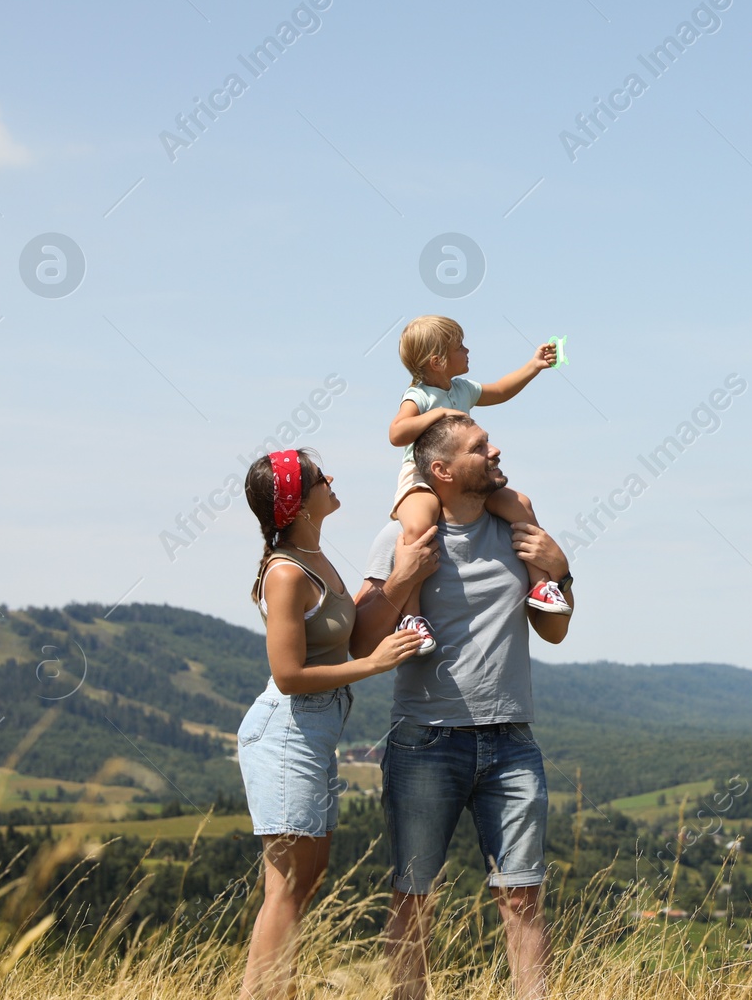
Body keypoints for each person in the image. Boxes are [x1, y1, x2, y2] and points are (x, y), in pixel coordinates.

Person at [354, 415, 573, 1000]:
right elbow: (360, 639)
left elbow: (554, 632)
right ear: (443, 470)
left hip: (511, 740)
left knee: (523, 898)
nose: (496, 449)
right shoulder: (400, 537)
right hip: (426, 740)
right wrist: (402, 580)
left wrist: (561, 567)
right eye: (480, 447)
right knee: (413, 896)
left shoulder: (518, 531)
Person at [236, 448, 441, 1000]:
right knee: (287, 887)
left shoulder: (314, 557)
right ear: (298, 503)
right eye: (319, 477)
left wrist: (399, 581)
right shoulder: (286, 573)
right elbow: (288, 674)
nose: (331, 479)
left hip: (314, 731)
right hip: (287, 730)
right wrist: (375, 665)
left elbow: (344, 637)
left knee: (307, 877)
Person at [387, 315, 571, 654]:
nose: (468, 350)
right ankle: (411, 616)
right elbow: (397, 433)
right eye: (460, 346)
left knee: (521, 505)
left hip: (467, 478)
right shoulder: (418, 396)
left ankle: (541, 585)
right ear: (438, 360)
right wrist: (437, 416)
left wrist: (534, 365)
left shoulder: (462, 389)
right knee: (418, 528)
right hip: (421, 478)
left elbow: (500, 390)